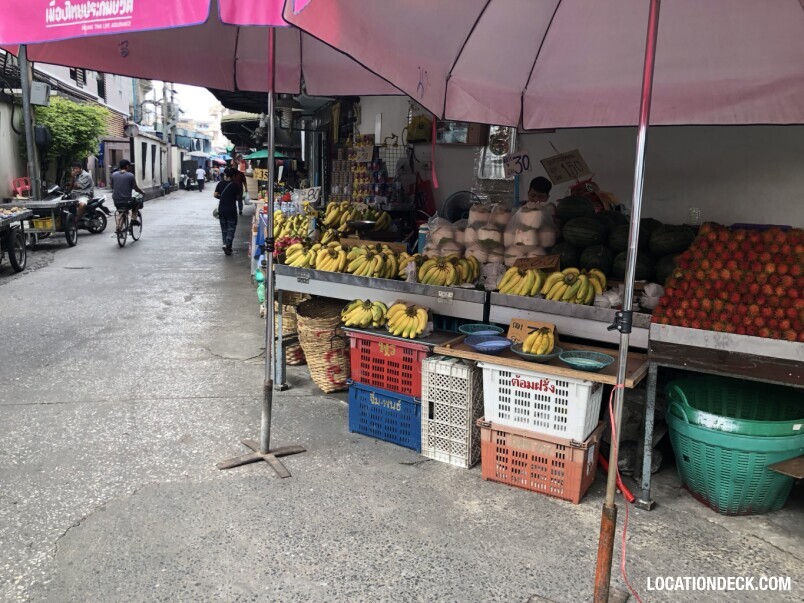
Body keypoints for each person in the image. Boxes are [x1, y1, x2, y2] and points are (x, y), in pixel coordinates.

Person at [214, 168, 243, 255]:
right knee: (231, 229)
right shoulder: (235, 185)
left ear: (226, 175)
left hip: (222, 209)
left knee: (224, 229)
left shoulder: (220, 183)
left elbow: (215, 195)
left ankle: (226, 245)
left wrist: (222, 197)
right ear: (233, 176)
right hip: (231, 210)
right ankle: (227, 245)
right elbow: (238, 198)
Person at [111, 159, 144, 230]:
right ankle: (133, 218)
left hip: (116, 201)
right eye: (129, 166)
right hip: (127, 201)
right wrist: (142, 192)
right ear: (126, 166)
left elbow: (112, 186)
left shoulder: (113, 175)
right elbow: (135, 188)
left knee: (122, 211)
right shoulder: (130, 175)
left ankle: (119, 227)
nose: (129, 167)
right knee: (137, 202)